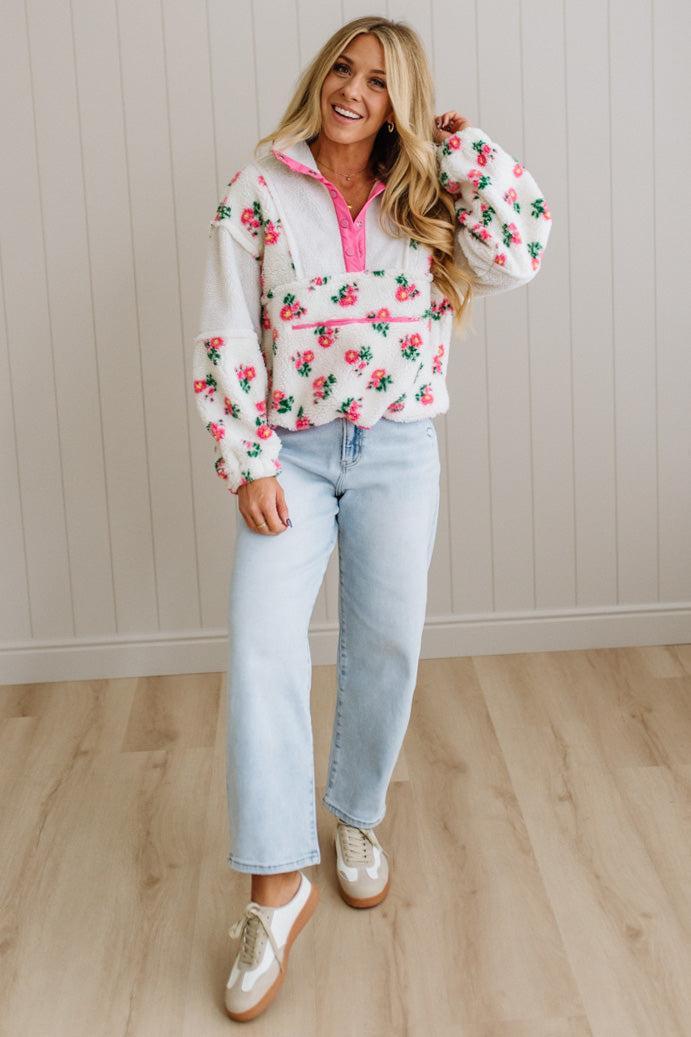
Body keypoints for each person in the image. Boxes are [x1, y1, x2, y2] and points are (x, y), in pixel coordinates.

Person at [191, 14, 552, 1023]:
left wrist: (468, 149)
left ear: (403, 101)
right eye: (344, 68)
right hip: (293, 457)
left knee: (383, 645)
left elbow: (522, 251)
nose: (354, 89)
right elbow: (225, 328)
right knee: (261, 645)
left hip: (397, 449)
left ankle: (356, 816)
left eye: (380, 81)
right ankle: (274, 885)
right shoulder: (259, 187)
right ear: (322, 76)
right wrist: (248, 457)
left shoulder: (427, 193)